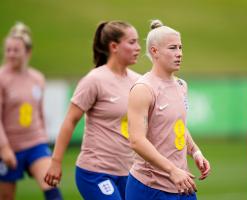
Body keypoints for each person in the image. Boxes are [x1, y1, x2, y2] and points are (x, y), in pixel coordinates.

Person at [44, 20, 141, 200]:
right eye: (132, 42)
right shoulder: (94, 80)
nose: (138, 48)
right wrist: (56, 162)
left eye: (138, 42)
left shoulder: (139, 81)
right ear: (114, 46)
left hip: (129, 173)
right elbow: (70, 120)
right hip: (95, 172)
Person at [126, 19, 211, 200]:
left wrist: (195, 151)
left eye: (180, 47)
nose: (179, 53)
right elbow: (136, 141)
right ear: (154, 51)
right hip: (150, 187)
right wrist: (172, 170)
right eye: (172, 48)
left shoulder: (181, 85)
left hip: (182, 183)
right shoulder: (143, 89)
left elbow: (178, 126)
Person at [0, 22, 63, 200]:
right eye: (8, 50)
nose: (11, 54)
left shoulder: (37, 78)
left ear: (27, 52)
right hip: (9, 146)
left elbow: (39, 113)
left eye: (16, 50)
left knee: (52, 185)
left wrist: (43, 138)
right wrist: (4, 148)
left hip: (35, 143)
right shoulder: (2, 78)